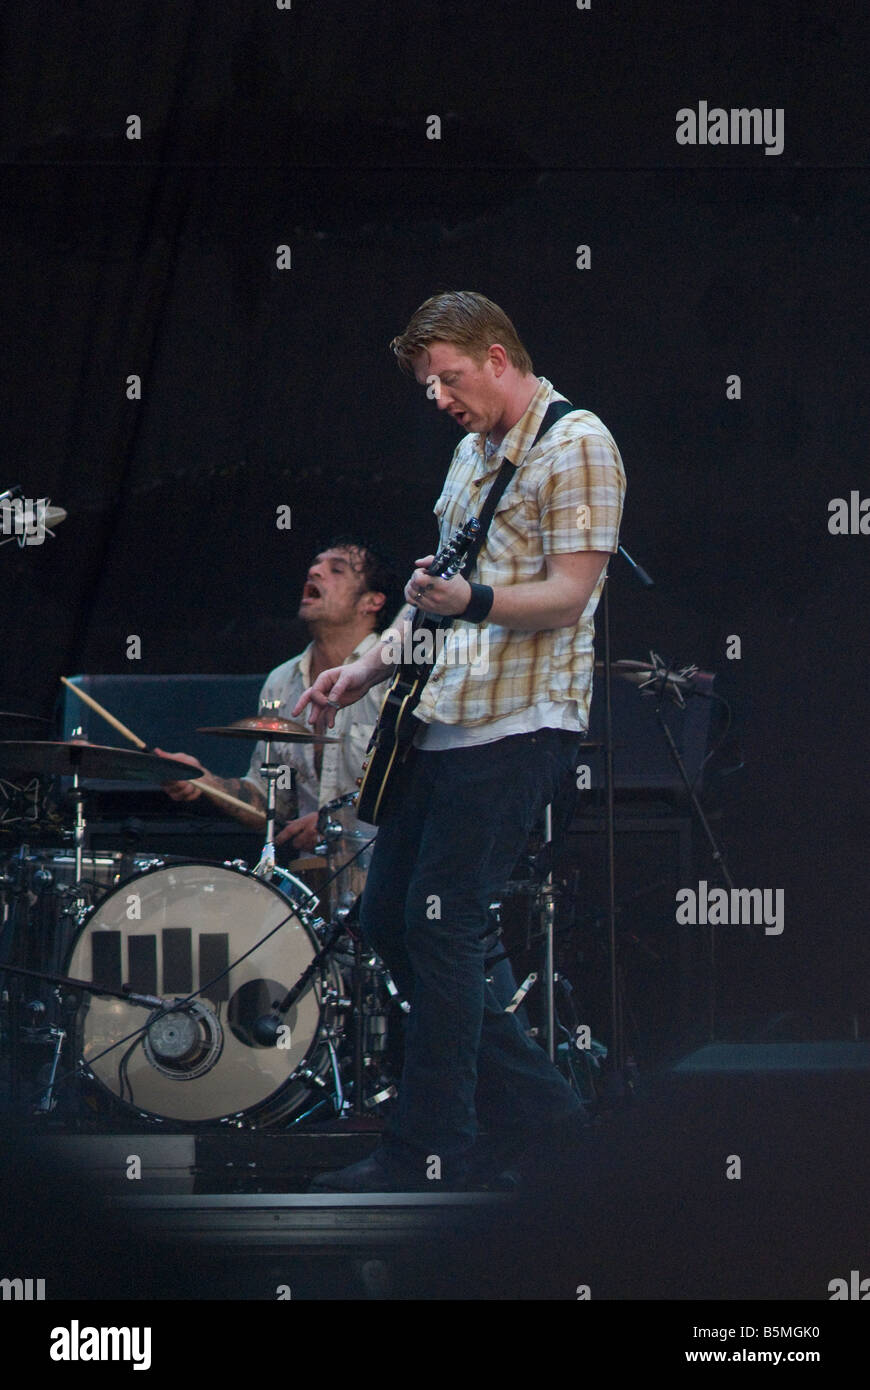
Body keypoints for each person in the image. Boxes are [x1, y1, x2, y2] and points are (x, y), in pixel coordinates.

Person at [294, 291, 626, 1192]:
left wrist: (470, 602)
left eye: (447, 378)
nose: (438, 396)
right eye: (426, 384)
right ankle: (556, 1132)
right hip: (442, 722)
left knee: (445, 933)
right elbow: (436, 590)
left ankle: (429, 1151)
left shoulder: (577, 444)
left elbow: (569, 595)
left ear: (496, 357)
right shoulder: (472, 456)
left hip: (519, 725)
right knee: (391, 921)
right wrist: (363, 670)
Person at [157, 537, 401, 872]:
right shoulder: (281, 681)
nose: (314, 571)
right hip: (313, 883)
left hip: (386, 872)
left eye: (336, 570)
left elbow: (418, 786)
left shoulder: (393, 674)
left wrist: (338, 822)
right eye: (315, 565)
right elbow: (271, 804)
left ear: (372, 602)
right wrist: (204, 782)